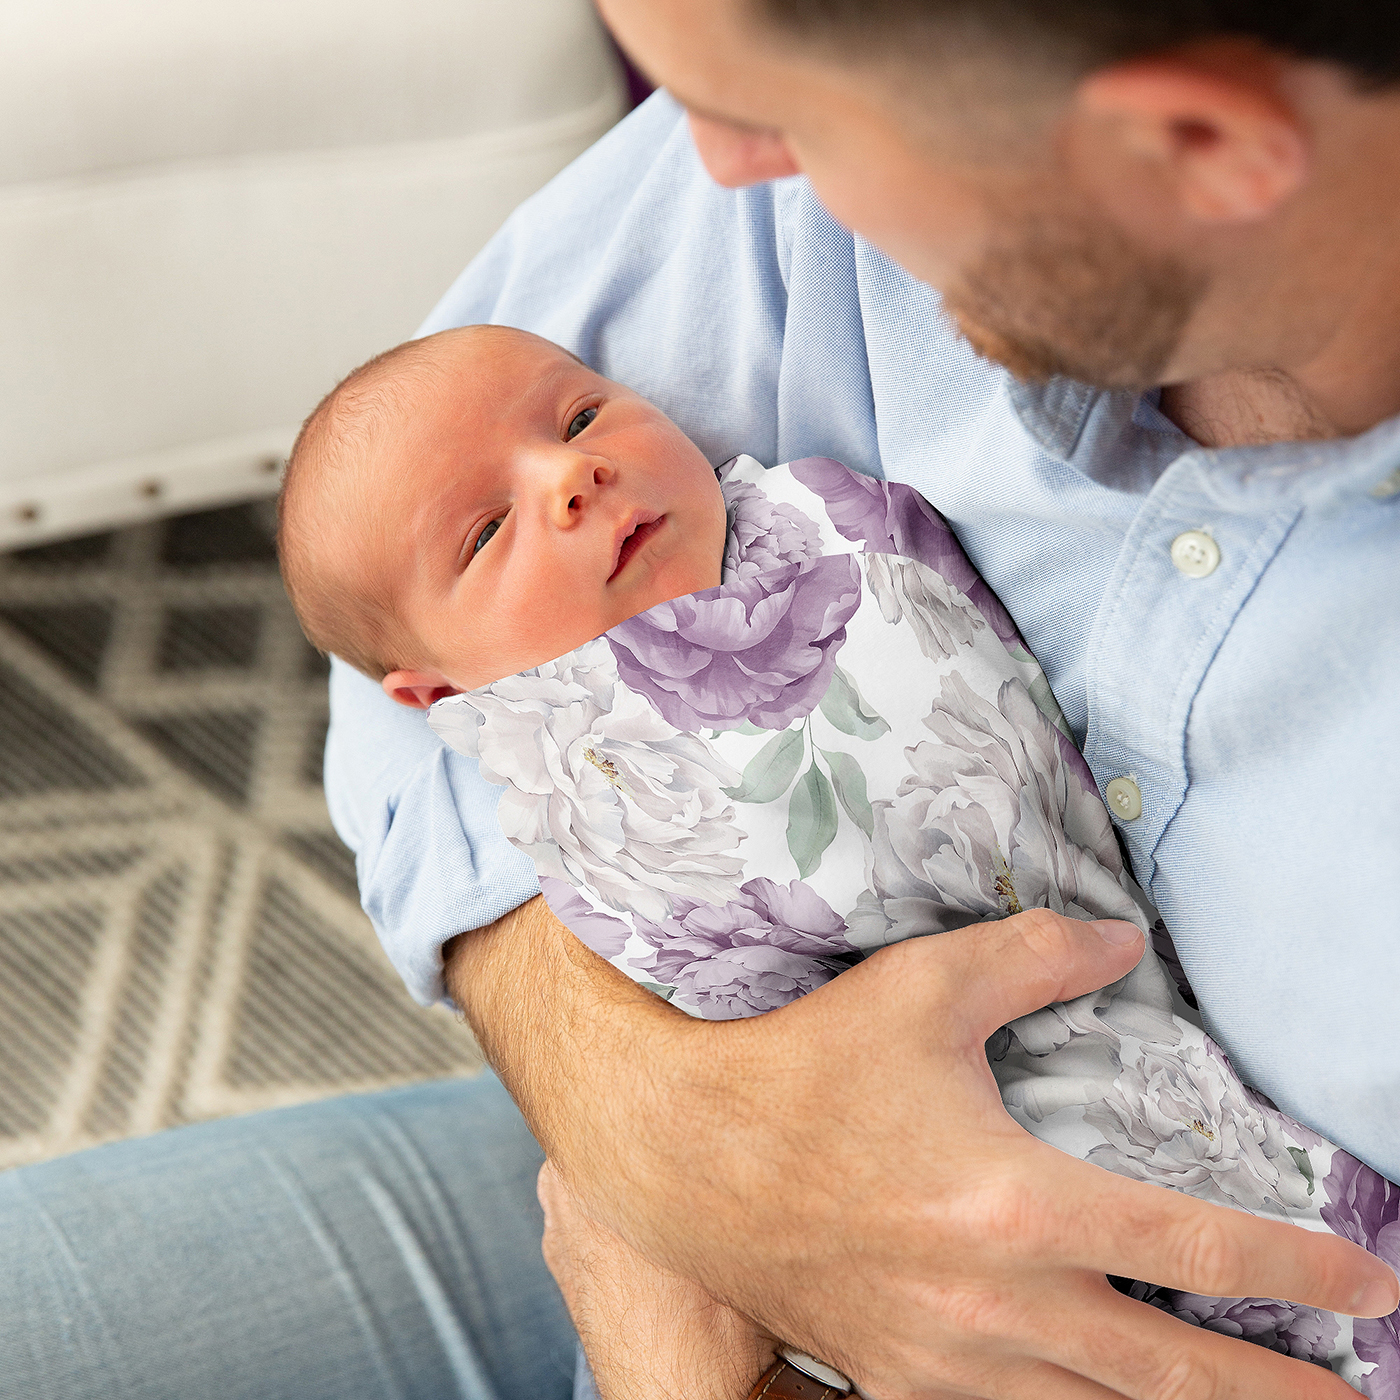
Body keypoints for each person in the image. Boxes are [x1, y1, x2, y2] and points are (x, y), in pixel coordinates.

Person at [3, 3, 1398, 1399]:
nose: (713, 159)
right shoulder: (849, 118)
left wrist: (672, 1367)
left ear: (1198, 148)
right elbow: (385, 581)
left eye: (789, 117)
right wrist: (660, 1131)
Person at [276, 319, 1397, 1393]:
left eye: (580, 418)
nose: (572, 474)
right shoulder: (543, 759)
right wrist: (645, 1148)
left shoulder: (817, 529)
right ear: (438, 696)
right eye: (484, 533)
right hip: (700, 1255)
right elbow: (371, 656)